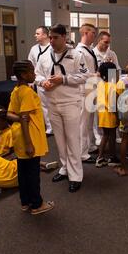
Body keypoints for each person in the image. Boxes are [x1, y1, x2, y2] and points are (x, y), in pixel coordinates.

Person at [35, 24, 89, 193]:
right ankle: (65, 169)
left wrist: (63, 79)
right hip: (52, 103)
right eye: (50, 37)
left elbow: (84, 75)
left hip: (70, 103)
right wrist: (43, 81)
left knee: (72, 139)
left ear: (64, 37)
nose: (51, 40)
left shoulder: (76, 55)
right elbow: (37, 74)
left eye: (55, 37)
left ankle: (76, 176)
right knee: (59, 140)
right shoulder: (44, 56)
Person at [7, 60, 54, 215]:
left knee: (23, 172)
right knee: (33, 173)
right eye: (31, 71)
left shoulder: (16, 90)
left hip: (18, 136)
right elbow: (25, 116)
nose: (34, 74)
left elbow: (10, 114)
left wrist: (20, 119)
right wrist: (29, 143)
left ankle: (25, 202)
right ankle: (37, 204)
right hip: (29, 137)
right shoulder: (27, 92)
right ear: (23, 74)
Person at [76, 23, 99, 163]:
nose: (94, 37)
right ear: (85, 33)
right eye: (93, 34)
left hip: (92, 89)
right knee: (83, 123)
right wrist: (96, 74)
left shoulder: (89, 50)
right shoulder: (79, 52)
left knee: (90, 122)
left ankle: (89, 146)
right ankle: (82, 153)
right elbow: (82, 72)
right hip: (84, 91)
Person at [28, 26, 52, 135]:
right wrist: (31, 82)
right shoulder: (34, 49)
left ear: (45, 35)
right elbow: (31, 65)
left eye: (38, 33)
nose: (35, 35)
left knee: (53, 104)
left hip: (53, 80)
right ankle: (49, 127)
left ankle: (56, 125)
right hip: (39, 80)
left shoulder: (52, 47)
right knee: (44, 105)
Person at [95, 62, 120, 168]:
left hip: (102, 114)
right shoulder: (113, 86)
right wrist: (118, 117)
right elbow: (113, 105)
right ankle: (112, 157)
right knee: (112, 136)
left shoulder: (100, 85)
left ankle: (100, 158)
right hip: (110, 115)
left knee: (105, 135)